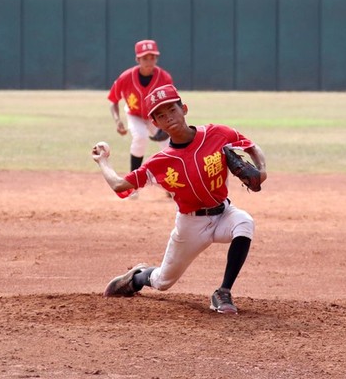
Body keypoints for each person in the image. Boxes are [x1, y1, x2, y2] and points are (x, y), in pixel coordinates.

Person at [91, 84, 267, 314]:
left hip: (224, 213)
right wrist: (103, 162)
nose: (169, 118)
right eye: (161, 116)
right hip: (190, 224)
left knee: (244, 222)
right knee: (163, 281)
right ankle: (137, 277)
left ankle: (223, 292)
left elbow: (252, 147)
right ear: (156, 124)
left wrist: (262, 172)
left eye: (172, 110)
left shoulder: (217, 134)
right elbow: (119, 185)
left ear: (184, 109)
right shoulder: (160, 161)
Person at [107, 39, 173, 174]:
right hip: (134, 114)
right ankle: (134, 180)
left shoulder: (164, 78)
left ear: (156, 58)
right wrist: (117, 120)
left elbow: (171, 102)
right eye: (145, 58)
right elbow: (113, 100)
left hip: (156, 115)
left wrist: (167, 124)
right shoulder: (125, 78)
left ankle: (171, 183)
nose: (149, 61)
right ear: (137, 59)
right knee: (140, 137)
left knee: (169, 144)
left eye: (152, 57)